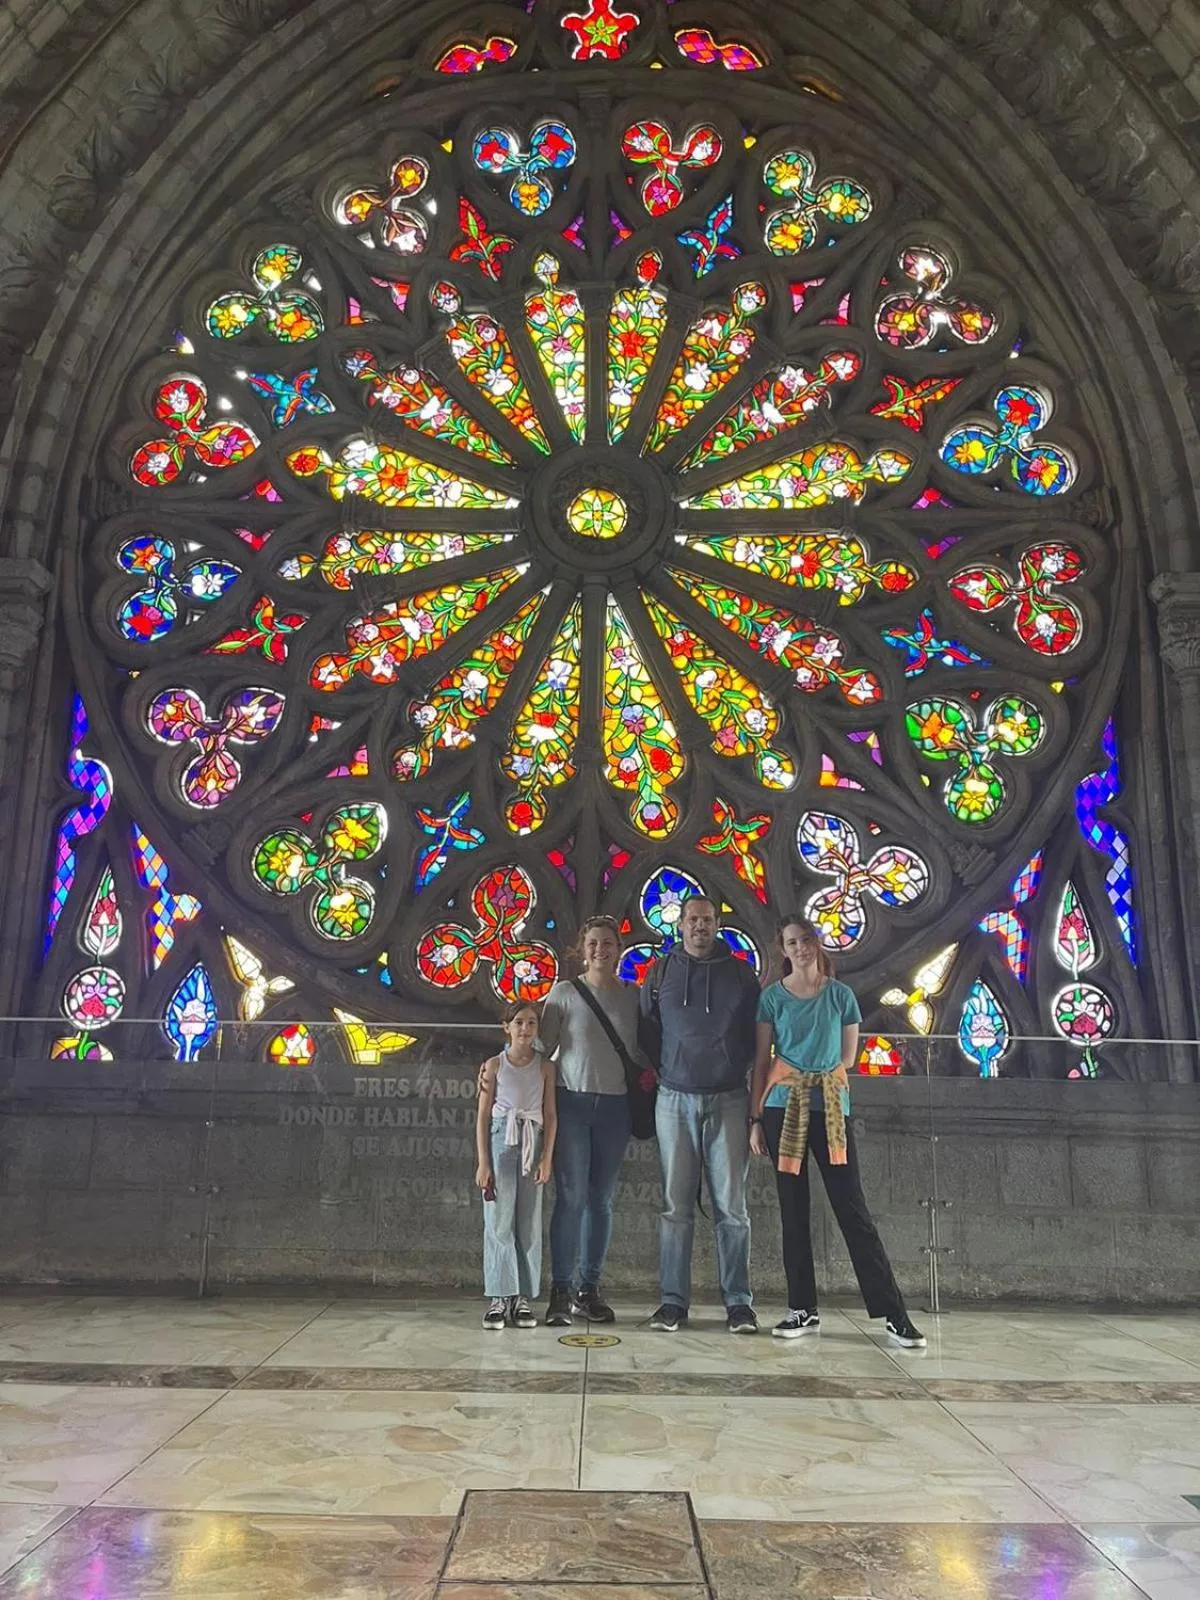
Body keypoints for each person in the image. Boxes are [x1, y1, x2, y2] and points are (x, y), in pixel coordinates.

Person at [750, 915, 926, 1347]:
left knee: (852, 1208)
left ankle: (893, 1311)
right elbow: (761, 1060)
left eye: (806, 939)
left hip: (829, 1106)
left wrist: (814, 1073)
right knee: (793, 1211)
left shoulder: (841, 996)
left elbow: (846, 1057)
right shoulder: (772, 998)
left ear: (817, 942)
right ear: (783, 949)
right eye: (791, 942)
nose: (800, 948)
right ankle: (802, 1308)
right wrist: (754, 1119)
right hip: (781, 1108)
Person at [640, 895, 760, 1334]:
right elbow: (647, 1029)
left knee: (732, 1207)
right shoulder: (660, 973)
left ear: (717, 923)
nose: (699, 927)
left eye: (707, 920)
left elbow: (754, 1031)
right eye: (693, 920)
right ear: (681, 924)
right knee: (675, 1207)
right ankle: (673, 1302)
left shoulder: (741, 975)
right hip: (673, 1098)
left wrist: (729, 1064)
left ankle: (739, 1303)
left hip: (728, 1097)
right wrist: (671, 1067)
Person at [539, 914, 639, 1327]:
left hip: (616, 1106)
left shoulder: (633, 996)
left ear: (619, 949)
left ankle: (589, 1288)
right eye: (594, 943)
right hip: (572, 1104)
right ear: (583, 949)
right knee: (571, 1197)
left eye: (609, 943)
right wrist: (497, 1071)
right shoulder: (563, 993)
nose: (601, 950)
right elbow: (539, 1051)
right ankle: (560, 1288)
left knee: (601, 1200)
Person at [475, 1000, 557, 1330]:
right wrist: (483, 1161)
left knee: (527, 1221)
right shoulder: (494, 1066)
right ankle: (499, 1294)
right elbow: (482, 1115)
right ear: (506, 1028)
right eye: (519, 1022)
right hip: (501, 1141)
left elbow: (550, 1115)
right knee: (499, 1219)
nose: (525, 1029)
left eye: (531, 1023)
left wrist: (546, 1157)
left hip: (531, 1140)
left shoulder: (545, 1067)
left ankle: (522, 1295)